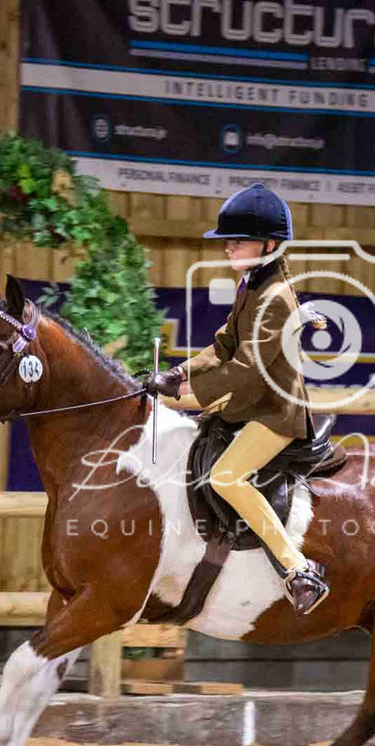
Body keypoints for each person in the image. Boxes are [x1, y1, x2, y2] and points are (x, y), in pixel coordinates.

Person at [145, 182, 330, 615]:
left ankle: (298, 570)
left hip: (274, 413)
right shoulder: (251, 285)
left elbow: (247, 373)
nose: (228, 249)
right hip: (250, 405)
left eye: (237, 241)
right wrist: (176, 372)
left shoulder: (276, 298)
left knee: (226, 477)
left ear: (268, 244)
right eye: (227, 241)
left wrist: (184, 392)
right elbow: (223, 346)